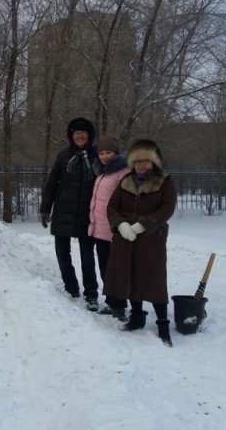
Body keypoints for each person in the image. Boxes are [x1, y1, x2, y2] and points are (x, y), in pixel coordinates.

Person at [103, 139, 177, 346]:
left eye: (145, 161)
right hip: (125, 238)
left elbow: (167, 208)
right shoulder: (126, 180)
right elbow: (112, 206)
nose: (141, 165)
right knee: (130, 276)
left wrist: (144, 225)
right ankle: (136, 317)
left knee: (154, 280)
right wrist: (121, 225)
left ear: (154, 162)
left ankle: (163, 323)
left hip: (151, 239)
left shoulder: (165, 181)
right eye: (137, 162)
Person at [39, 117, 99, 309]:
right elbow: (52, 184)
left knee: (87, 257)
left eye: (83, 132)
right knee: (62, 253)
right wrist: (45, 208)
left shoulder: (98, 156)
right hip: (63, 211)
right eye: (76, 133)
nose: (79, 136)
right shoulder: (63, 156)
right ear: (71, 136)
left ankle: (91, 294)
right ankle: (71, 286)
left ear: (89, 135)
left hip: (87, 214)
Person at [87, 135, 130, 320]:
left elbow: (127, 200)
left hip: (115, 229)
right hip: (99, 229)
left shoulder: (124, 172)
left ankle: (120, 304)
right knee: (105, 268)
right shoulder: (102, 172)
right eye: (102, 153)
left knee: (116, 270)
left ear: (117, 153)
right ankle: (111, 302)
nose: (104, 156)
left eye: (108, 152)